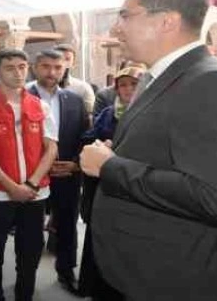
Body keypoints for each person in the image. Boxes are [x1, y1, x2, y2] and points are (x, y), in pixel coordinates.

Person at [80, 0, 217, 301]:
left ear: (167, 21)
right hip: (134, 267)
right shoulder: (155, 77)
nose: (117, 28)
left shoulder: (214, 82)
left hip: (169, 278)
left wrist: (111, 166)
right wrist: (117, 153)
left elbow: (212, 198)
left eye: (125, 16)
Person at [0, 49, 58, 301]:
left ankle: (24, 294)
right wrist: (11, 187)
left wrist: (30, 183)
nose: (18, 73)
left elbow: (51, 148)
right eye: (10, 68)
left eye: (22, 66)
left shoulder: (40, 105)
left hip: (34, 192)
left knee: (30, 250)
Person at [78, 66, 144, 299]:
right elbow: (87, 137)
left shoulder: (148, 112)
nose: (127, 90)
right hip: (102, 186)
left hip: (130, 187)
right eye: (123, 85)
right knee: (99, 239)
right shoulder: (108, 112)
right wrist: (99, 143)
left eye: (133, 84)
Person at [26, 49, 88, 294]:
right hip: (31, 176)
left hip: (66, 174)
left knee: (67, 224)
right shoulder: (21, 97)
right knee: (30, 227)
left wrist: (75, 163)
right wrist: (39, 167)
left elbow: (85, 136)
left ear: (64, 69)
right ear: (35, 67)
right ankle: (26, 276)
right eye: (46, 66)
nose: (52, 72)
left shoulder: (74, 100)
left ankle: (66, 270)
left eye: (57, 67)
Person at [54, 43, 95, 115]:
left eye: (67, 59)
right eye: (59, 58)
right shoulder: (35, 87)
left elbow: (90, 116)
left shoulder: (83, 88)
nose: (63, 63)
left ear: (73, 63)